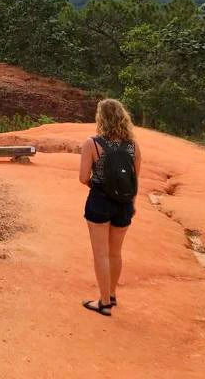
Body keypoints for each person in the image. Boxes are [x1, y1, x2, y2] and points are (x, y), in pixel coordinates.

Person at [79, 99, 141, 316]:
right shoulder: (133, 146)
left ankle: (104, 302)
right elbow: (135, 178)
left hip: (100, 202)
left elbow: (82, 177)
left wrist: (98, 185)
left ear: (101, 118)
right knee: (115, 253)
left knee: (101, 255)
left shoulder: (93, 144)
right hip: (124, 204)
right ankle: (112, 295)